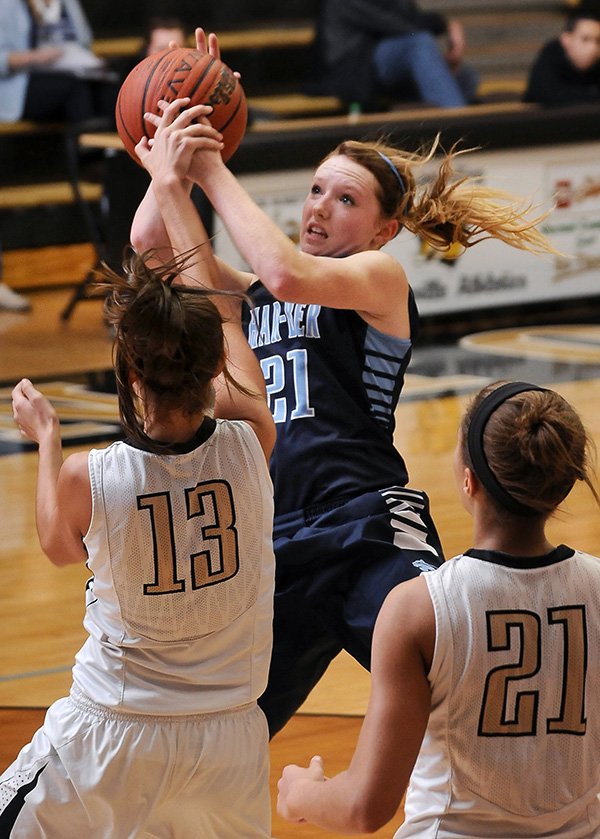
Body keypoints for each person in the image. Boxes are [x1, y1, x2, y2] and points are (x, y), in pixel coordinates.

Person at [130, 27, 558, 740]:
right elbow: (152, 245)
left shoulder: (377, 279)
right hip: (276, 539)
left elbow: (288, 271)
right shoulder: (252, 296)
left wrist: (207, 170)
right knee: (218, 729)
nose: (321, 207)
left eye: (347, 200)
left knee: (464, 693)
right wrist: (181, 134)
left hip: (367, 525)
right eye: (316, 189)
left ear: (386, 230)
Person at [1, 107, 277, 837]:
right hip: (230, 739)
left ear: (126, 370)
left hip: (110, 735)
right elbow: (225, 313)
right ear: (218, 366)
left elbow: (60, 546)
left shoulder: (89, 476)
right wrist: (173, 184)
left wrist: (47, 439)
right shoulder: (253, 435)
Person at [277, 380, 600, 836]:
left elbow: (363, 808)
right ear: (562, 490)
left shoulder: (417, 609)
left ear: (469, 481)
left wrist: (300, 793)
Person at [309, 0, 479, 111]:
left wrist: (447, 24)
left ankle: (444, 133)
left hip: (380, 67)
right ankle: (459, 139)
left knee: (464, 76)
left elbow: (411, 18)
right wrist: (445, 25)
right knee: (419, 43)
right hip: (353, 71)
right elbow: (399, 25)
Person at [524, 1, 600, 106]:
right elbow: (545, 94)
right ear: (566, 40)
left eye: (598, 41)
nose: (593, 48)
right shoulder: (551, 55)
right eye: (585, 39)